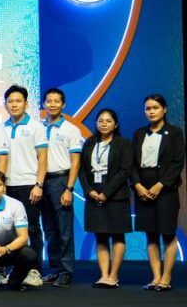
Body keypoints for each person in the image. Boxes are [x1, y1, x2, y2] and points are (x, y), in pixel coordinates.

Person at [131, 94, 186, 291]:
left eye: (155, 107)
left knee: (168, 233)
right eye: (148, 108)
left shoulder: (175, 132)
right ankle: (155, 277)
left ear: (164, 109)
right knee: (151, 234)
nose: (151, 111)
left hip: (165, 188)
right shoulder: (139, 133)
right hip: (143, 187)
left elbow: (177, 162)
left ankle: (166, 278)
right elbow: (132, 163)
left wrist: (160, 184)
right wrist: (137, 185)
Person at [78, 108, 133, 288]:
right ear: (96, 123)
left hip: (116, 196)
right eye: (101, 120)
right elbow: (82, 170)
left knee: (118, 236)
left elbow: (125, 170)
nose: (104, 124)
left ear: (115, 124)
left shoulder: (123, 143)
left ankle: (113, 276)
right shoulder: (89, 143)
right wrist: (89, 191)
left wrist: (106, 193)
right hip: (94, 196)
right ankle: (103, 275)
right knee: (100, 237)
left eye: (108, 121)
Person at [2, 85, 48, 287]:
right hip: (7, 186)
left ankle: (35, 271)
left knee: (32, 229)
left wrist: (39, 184)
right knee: (9, 231)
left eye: (18, 101)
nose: (14, 105)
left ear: (26, 104)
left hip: (29, 185)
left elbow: (43, 158)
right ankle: (13, 271)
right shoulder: (1, 128)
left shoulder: (36, 127)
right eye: (10, 101)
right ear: (5, 105)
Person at [39, 87, 84, 287]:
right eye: (49, 101)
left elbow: (76, 162)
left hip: (61, 180)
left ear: (63, 104)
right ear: (43, 104)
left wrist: (69, 188)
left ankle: (66, 271)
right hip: (42, 181)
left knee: (64, 230)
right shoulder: (38, 128)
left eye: (56, 101)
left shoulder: (71, 129)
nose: (52, 104)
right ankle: (55, 269)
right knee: (49, 229)